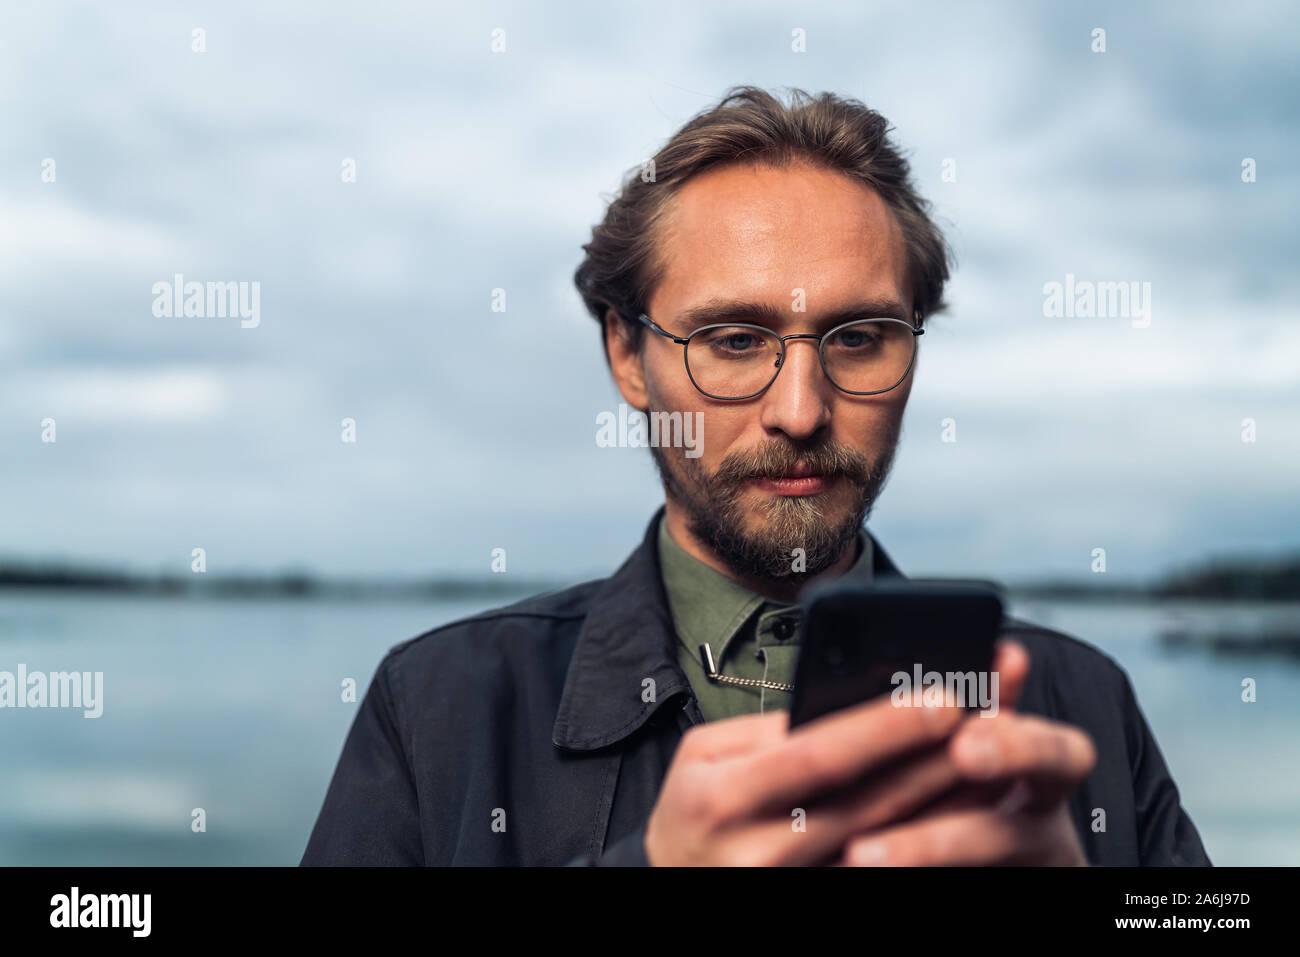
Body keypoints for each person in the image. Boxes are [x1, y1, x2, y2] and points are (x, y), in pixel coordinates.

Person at [300, 86, 1211, 867]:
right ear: (627, 353)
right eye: (734, 342)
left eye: (858, 338)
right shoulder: (437, 707)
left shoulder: (1082, 703)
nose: (802, 410)